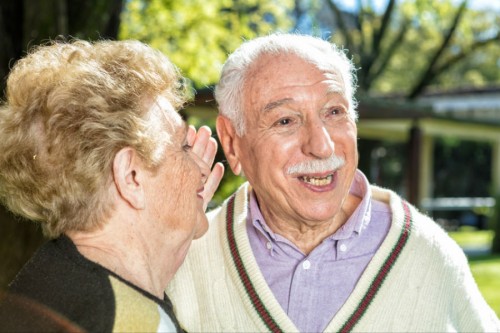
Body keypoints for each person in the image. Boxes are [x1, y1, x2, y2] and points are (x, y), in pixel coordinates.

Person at [166, 33, 500, 332]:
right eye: (285, 120)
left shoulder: (429, 255)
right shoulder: (182, 258)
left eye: (335, 113)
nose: (322, 145)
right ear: (232, 141)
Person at [0, 39, 223, 332]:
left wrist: (174, 228)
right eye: (183, 146)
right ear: (131, 177)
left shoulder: (49, 282)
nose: (199, 166)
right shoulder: (131, 321)